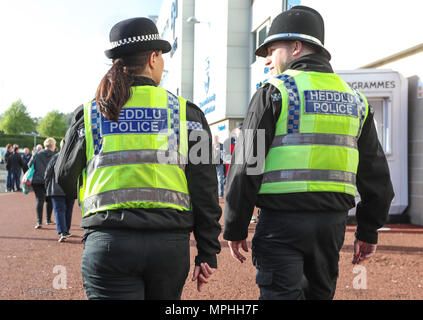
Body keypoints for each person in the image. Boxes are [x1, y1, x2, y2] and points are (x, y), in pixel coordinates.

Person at [223, 6, 394, 300]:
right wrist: (368, 231)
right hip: (331, 227)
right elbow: (376, 174)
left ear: (296, 47)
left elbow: (248, 165)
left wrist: (235, 226)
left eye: (271, 49)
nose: (267, 58)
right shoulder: (355, 100)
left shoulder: (274, 91)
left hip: (281, 224)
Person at [54, 17, 221, 300]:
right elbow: (205, 187)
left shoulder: (90, 114)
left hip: (108, 243)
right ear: (154, 57)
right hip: (169, 246)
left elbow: (63, 178)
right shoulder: (187, 114)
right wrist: (207, 251)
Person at [45, 140, 75, 242]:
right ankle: (67, 229)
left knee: (59, 210)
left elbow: (48, 173)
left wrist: (47, 186)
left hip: (56, 188)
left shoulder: (55, 157)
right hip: (70, 187)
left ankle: (63, 231)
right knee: (68, 210)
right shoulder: (73, 156)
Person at [28, 138, 56, 228]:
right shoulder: (55, 155)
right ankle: (48, 219)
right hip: (49, 180)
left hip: (37, 180)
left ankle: (39, 222)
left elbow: (29, 165)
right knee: (49, 200)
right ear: (53, 145)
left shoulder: (37, 154)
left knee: (39, 200)